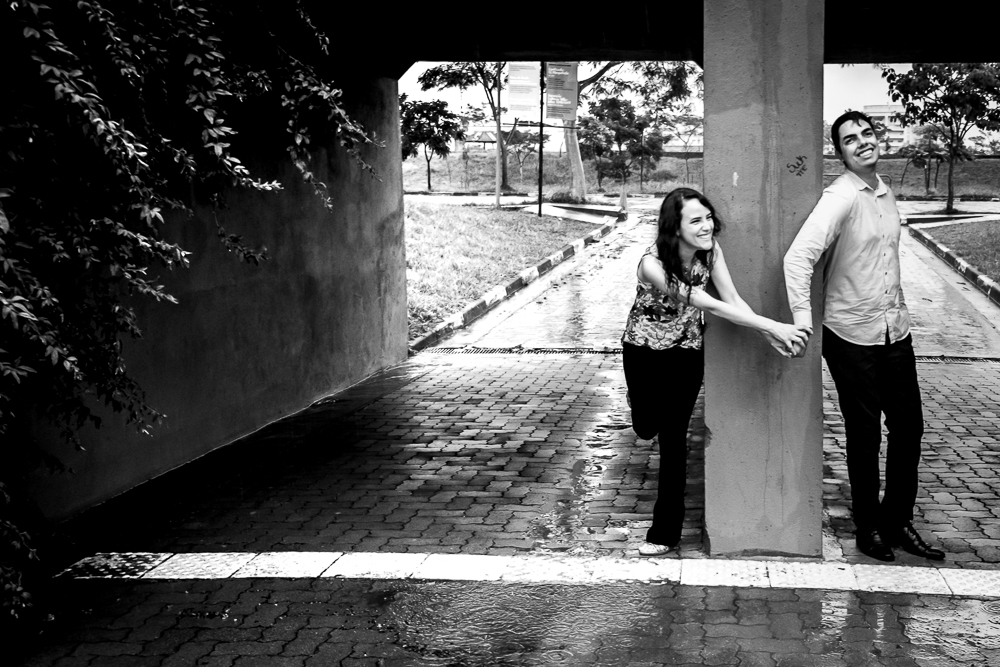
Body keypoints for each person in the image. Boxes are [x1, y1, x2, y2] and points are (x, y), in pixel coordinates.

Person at [783, 110, 944, 562]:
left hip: (895, 331)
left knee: (909, 428)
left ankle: (896, 523)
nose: (862, 142)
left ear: (879, 138)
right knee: (865, 433)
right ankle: (867, 528)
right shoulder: (841, 197)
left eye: (867, 133)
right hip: (851, 334)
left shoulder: (885, 192)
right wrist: (802, 318)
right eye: (850, 139)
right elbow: (798, 259)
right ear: (840, 153)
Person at [622, 187, 811, 557]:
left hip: (686, 353)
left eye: (708, 217)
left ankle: (664, 533)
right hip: (643, 351)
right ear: (674, 228)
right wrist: (775, 326)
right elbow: (700, 299)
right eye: (696, 220)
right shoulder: (651, 263)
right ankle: (639, 405)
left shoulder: (712, 252)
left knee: (673, 439)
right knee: (647, 426)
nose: (707, 226)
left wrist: (764, 332)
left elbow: (732, 300)